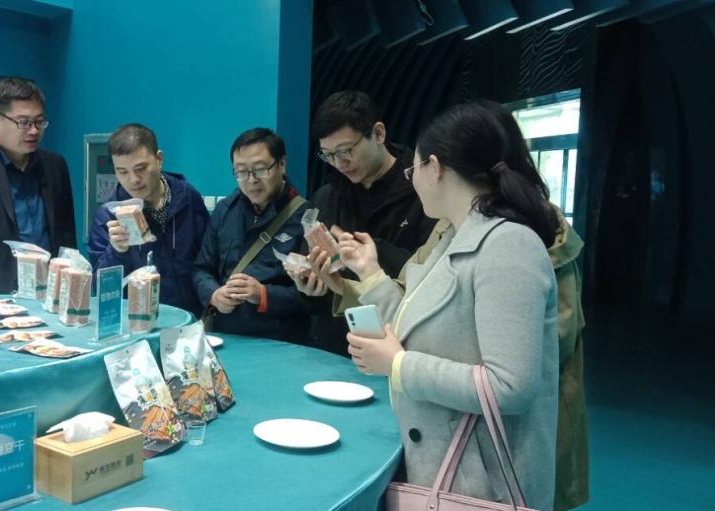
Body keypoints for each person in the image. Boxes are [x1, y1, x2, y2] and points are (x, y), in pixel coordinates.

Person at [332, 100, 589, 511]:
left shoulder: (509, 245)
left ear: (434, 167)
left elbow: (510, 387)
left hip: (483, 485)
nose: (413, 181)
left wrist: (398, 365)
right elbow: (415, 322)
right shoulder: (452, 238)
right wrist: (370, 273)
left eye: (413, 170)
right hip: (443, 467)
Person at [305, 91, 435, 356]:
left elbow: (431, 273)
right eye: (328, 155)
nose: (339, 163)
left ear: (378, 133)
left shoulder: (424, 190)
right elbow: (315, 281)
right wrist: (309, 284)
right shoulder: (326, 197)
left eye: (346, 151)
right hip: (334, 348)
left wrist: (370, 252)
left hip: (401, 349)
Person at [0, 77, 76, 293]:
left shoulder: (55, 166)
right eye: (23, 122)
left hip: (50, 292)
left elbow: (67, 237)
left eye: (39, 122)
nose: (34, 131)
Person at [192, 128, 310, 344]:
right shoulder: (225, 210)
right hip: (225, 337)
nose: (251, 180)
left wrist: (263, 294)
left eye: (260, 169)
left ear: (282, 164)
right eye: (241, 172)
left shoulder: (306, 217)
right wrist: (214, 295)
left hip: (280, 342)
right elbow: (201, 269)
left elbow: (312, 298)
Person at [88, 123, 210, 316]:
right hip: (137, 322)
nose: (134, 180)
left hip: (190, 319)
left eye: (141, 168)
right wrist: (117, 251)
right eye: (122, 171)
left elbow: (208, 261)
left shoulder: (187, 197)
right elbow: (101, 288)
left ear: (159, 159)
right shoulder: (108, 217)